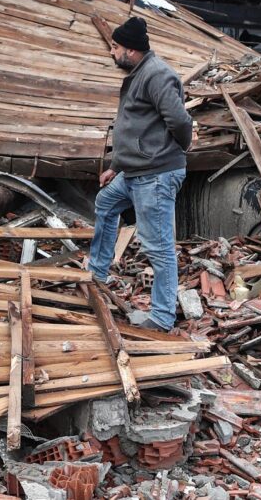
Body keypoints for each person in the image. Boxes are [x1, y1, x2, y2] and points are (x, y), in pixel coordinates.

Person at [87, 17, 194, 332]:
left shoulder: (158, 76)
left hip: (155, 174)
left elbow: (179, 120)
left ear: (131, 50)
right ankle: (98, 272)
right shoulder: (138, 73)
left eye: (115, 47)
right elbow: (134, 128)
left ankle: (161, 317)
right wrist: (115, 166)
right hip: (134, 171)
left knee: (157, 245)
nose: (111, 52)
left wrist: (178, 150)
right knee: (106, 203)